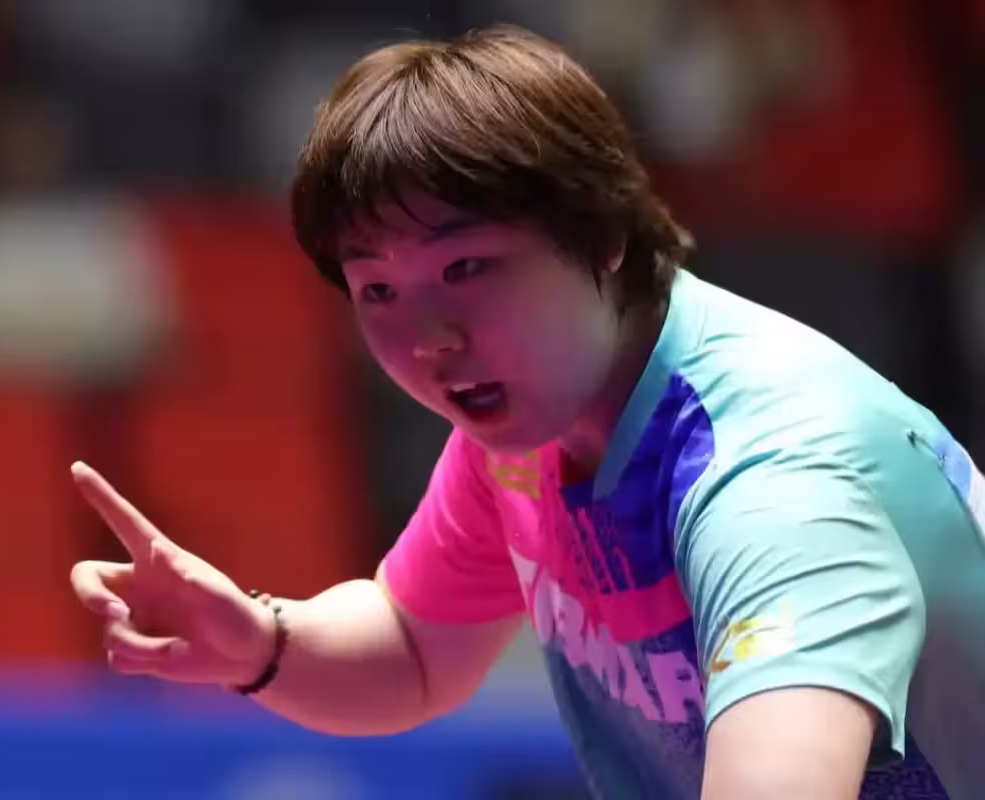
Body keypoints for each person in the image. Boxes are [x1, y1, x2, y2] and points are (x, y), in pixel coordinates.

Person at [69, 25, 984, 799]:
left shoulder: (772, 480)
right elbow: (412, 647)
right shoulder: (532, 425)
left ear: (604, 235)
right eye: (378, 288)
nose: (426, 337)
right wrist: (261, 643)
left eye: (467, 267)